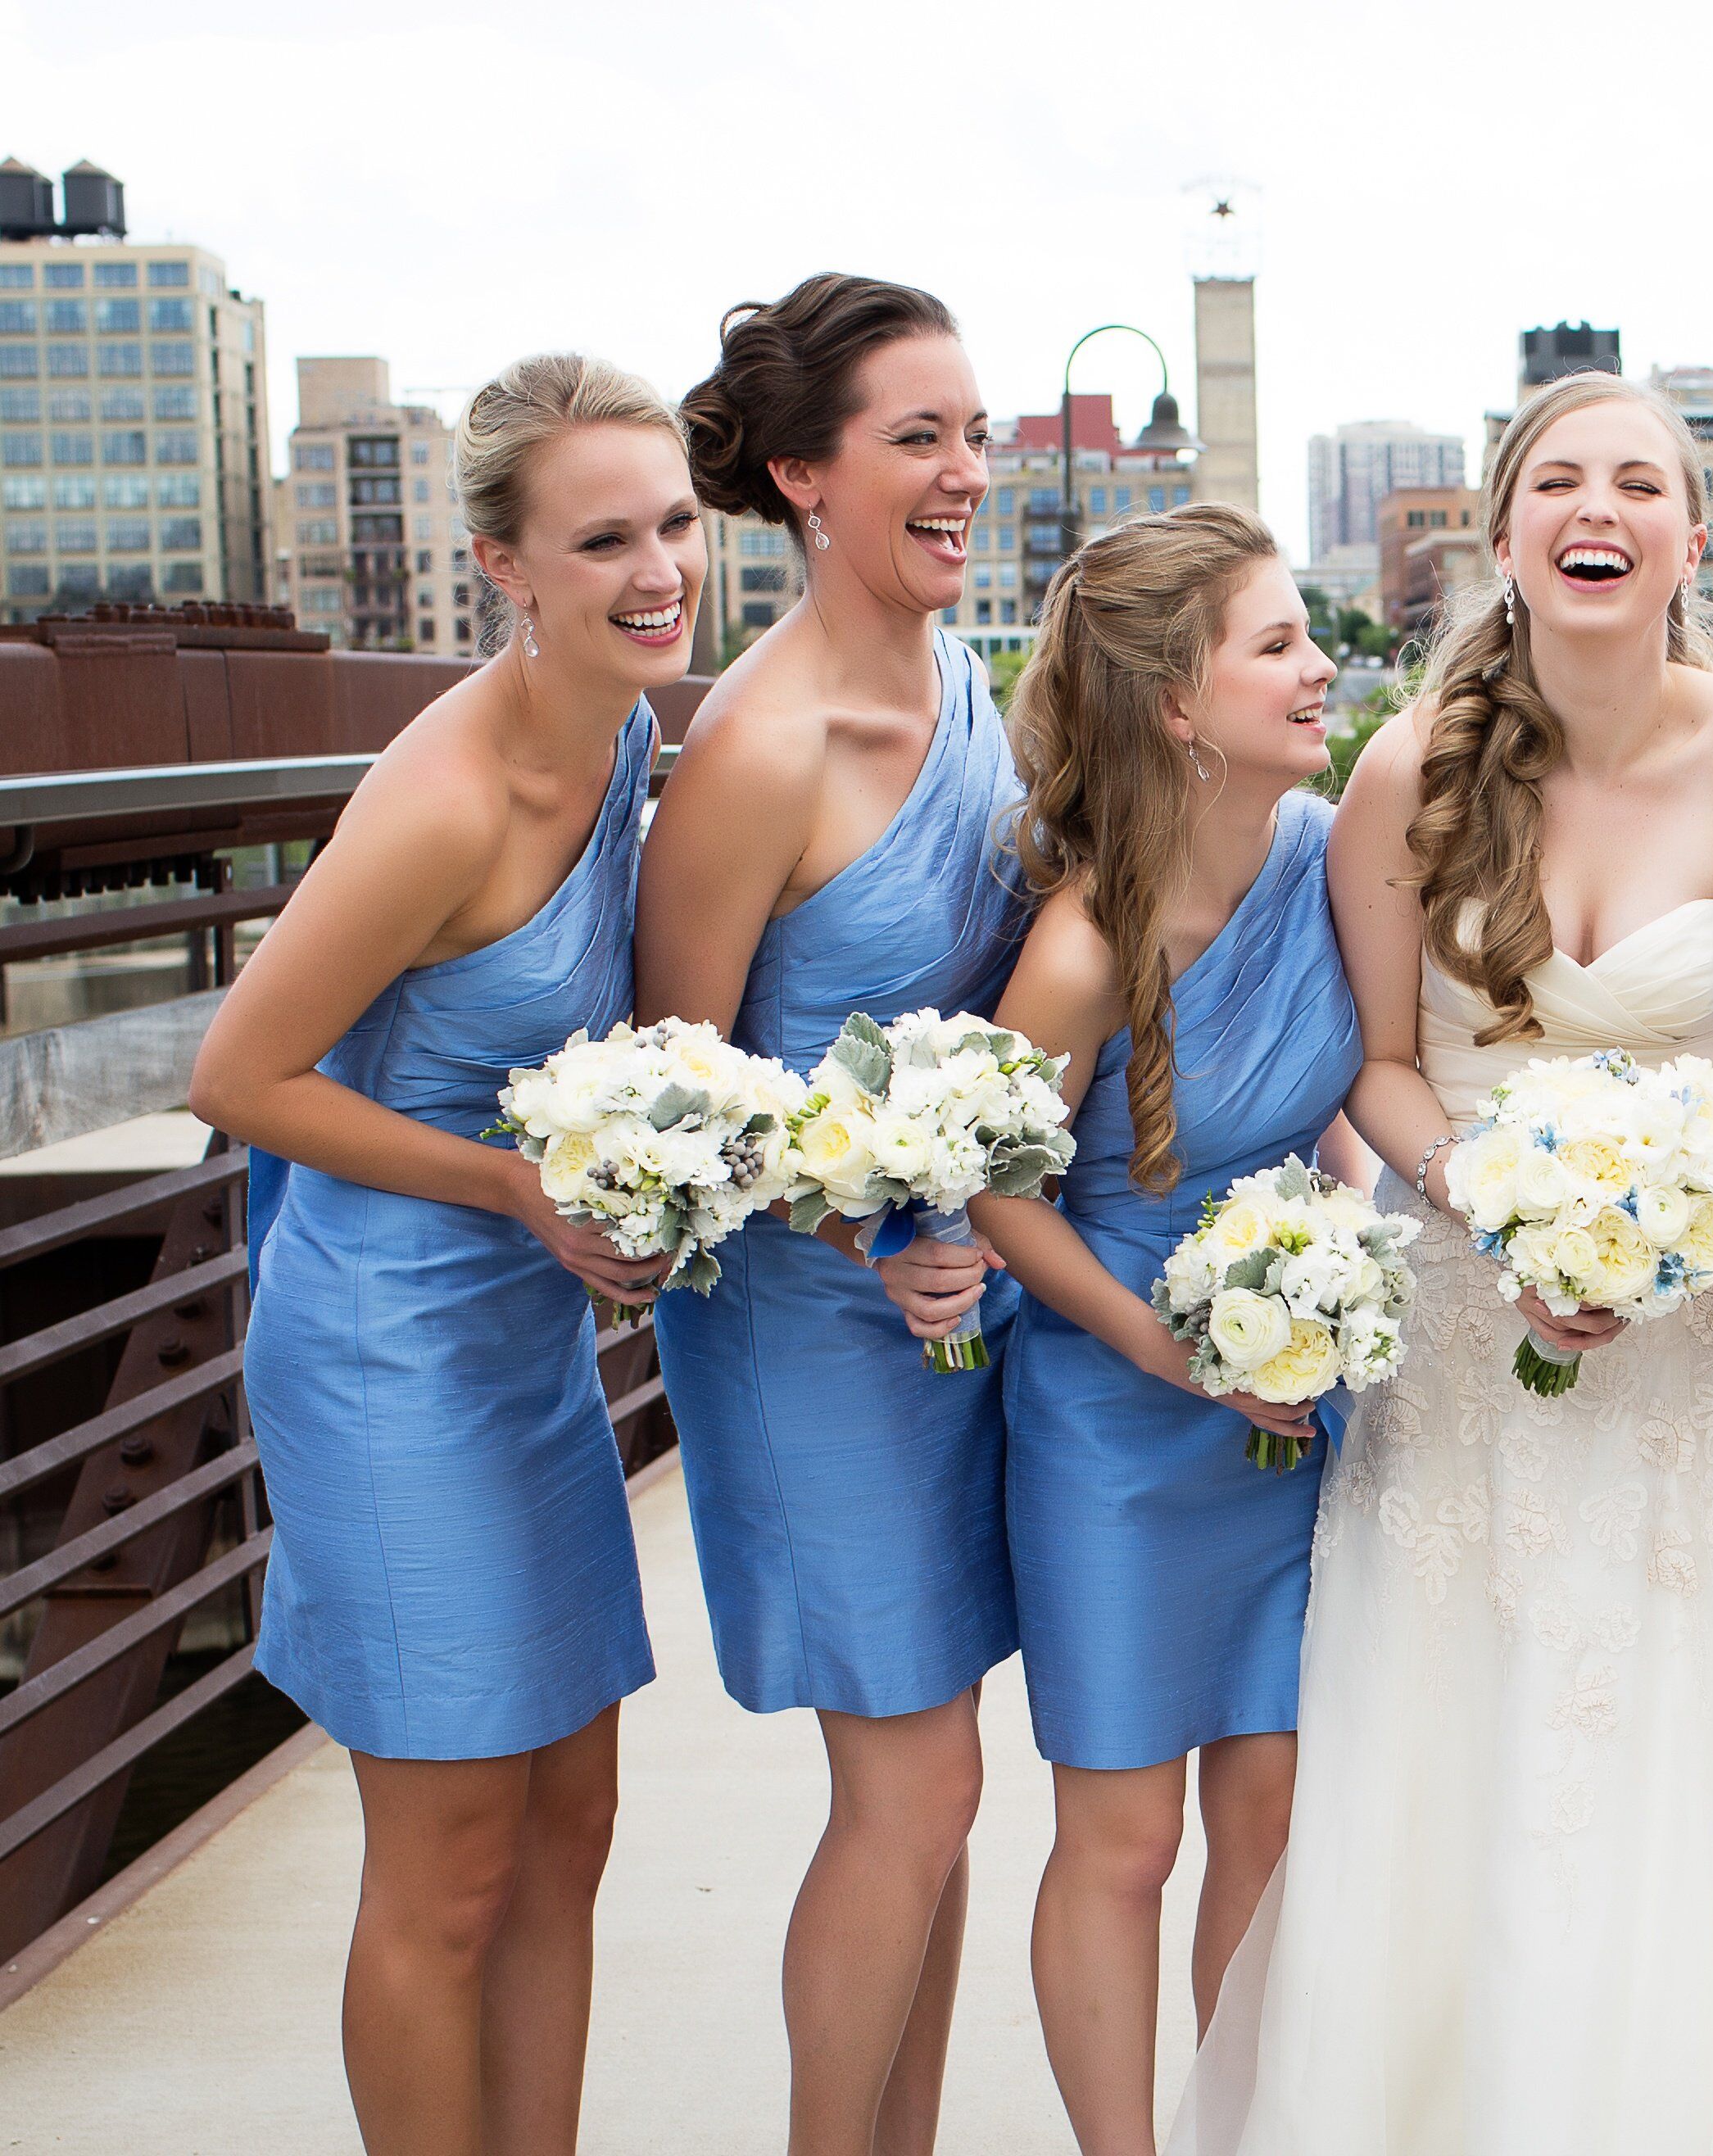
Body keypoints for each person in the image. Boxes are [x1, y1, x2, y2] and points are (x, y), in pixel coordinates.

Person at [1171, 369, 1713, 2154]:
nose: (1596, 505)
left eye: (1638, 481)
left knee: (1702, 1755)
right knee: (1455, 1752)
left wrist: (1684, 1219)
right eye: (1559, 478)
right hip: (1467, 1342)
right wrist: (1496, 1213)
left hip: (1703, 1347)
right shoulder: (1410, 763)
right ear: (1508, 526)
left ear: (1690, 536)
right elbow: (1381, 1065)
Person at [189, 351, 696, 2154]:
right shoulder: (446, 801)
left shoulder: (631, 726)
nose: (659, 569)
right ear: (505, 566)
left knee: (570, 1826)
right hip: (390, 1348)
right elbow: (237, 1074)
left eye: (676, 522)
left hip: (523, 1339)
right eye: (605, 538)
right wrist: (512, 1192)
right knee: (448, 1863)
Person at [638, 274, 1023, 2156]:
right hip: (808, 1326)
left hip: (953, 1308)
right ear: (801, 473)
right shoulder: (757, 749)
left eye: (977, 435)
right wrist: (862, 1214)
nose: (968, 474)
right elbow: (679, 1092)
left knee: (936, 1793)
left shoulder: (968, 683)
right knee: (915, 1782)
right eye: (919, 439)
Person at [965, 504, 1365, 2153]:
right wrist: (1151, 1342)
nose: (1322, 663)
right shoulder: (1077, 950)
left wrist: (1345, 1274)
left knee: (1269, 1814)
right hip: (1119, 1414)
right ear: (1178, 708)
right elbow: (992, 1189)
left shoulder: (1326, 850)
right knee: (1123, 1832)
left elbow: (1342, 1100)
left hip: (1292, 1392)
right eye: (1276, 643)